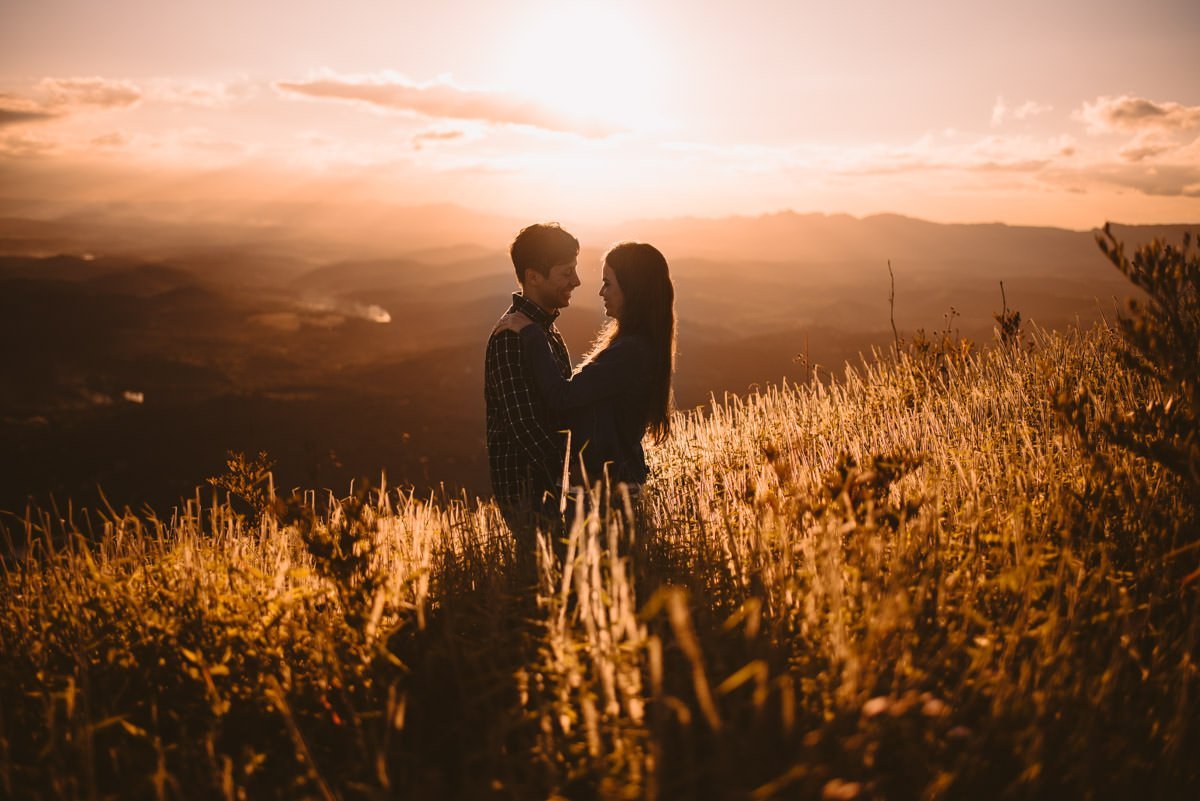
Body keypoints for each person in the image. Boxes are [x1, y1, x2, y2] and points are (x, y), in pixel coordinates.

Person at [493, 242, 675, 512]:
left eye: (608, 283)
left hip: (609, 491)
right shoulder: (636, 346)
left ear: (632, 290)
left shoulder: (629, 353)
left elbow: (562, 397)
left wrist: (531, 334)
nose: (601, 292)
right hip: (612, 485)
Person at [484, 222, 581, 543]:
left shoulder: (542, 329)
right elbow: (522, 423)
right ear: (533, 276)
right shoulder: (511, 337)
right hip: (531, 491)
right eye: (566, 273)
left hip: (547, 487)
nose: (576, 281)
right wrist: (567, 476)